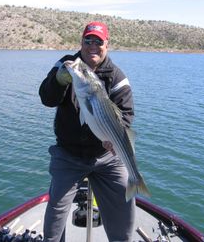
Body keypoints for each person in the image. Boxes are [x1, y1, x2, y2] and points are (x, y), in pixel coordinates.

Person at [39, 21, 135, 242]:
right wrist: (59, 80)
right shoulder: (67, 65)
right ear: (81, 42)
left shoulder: (117, 77)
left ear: (106, 45)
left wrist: (114, 139)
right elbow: (47, 98)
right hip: (68, 155)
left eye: (98, 42)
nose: (93, 46)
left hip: (107, 157)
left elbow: (126, 115)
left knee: (124, 210)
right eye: (88, 40)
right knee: (55, 214)